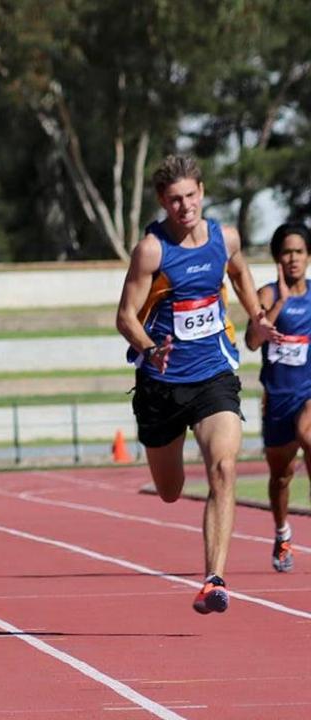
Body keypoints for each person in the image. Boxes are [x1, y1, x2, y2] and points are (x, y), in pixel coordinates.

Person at [116, 154, 280, 614]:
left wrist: (258, 317)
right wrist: (150, 348)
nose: (185, 206)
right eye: (175, 200)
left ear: (202, 193)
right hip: (162, 384)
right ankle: (170, 460)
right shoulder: (152, 250)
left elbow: (241, 272)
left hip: (214, 374)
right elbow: (125, 316)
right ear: (162, 202)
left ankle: (214, 580)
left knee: (224, 468)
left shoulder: (224, 238)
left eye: (191, 196)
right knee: (169, 491)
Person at [246, 222, 311, 572]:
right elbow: (252, 342)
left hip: (308, 392)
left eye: (299, 252)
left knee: (309, 434)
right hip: (277, 399)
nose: (293, 258)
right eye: (286, 252)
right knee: (281, 476)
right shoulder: (267, 295)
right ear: (277, 257)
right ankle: (282, 532)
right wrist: (279, 306)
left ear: (308, 256)